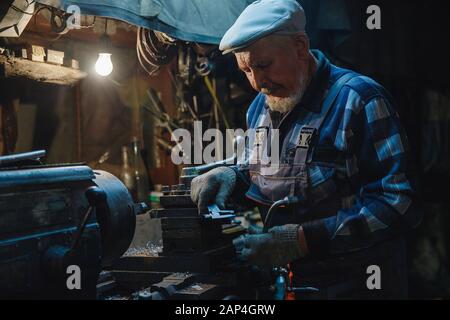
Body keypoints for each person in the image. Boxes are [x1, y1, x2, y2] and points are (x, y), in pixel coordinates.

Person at [190, 0, 421, 299]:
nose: (257, 82)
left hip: (360, 284)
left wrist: (302, 240)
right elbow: (265, 171)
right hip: (296, 283)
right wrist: (234, 177)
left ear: (300, 47)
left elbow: (399, 202)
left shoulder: (359, 100)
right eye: (246, 69)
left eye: (263, 65)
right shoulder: (260, 108)